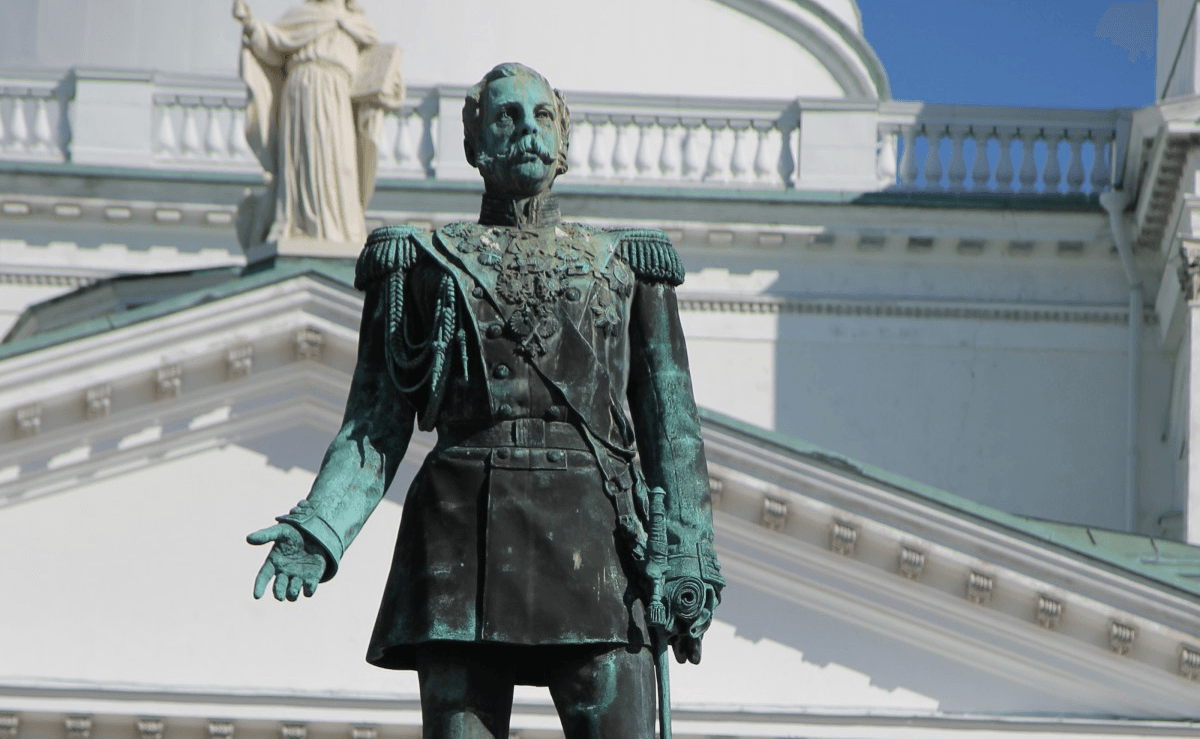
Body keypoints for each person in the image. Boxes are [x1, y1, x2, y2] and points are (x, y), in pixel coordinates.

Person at [247, 63, 722, 739]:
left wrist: (688, 558)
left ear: (564, 141)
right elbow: (375, 421)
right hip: (460, 537)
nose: (526, 130)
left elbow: (674, 427)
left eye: (542, 117)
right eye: (506, 117)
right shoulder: (422, 263)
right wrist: (319, 528)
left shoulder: (625, 266)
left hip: (596, 536)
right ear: (474, 144)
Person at [232, 0, 387, 248]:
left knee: (341, 161)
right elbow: (273, 45)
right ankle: (298, 223)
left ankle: (342, 228)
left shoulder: (359, 26)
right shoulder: (301, 16)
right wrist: (251, 26)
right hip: (303, 91)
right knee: (305, 156)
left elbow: (375, 68)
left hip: (339, 97)